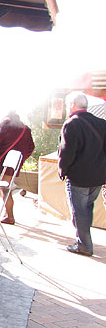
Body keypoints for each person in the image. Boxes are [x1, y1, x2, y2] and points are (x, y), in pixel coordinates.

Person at [58, 91, 106, 256]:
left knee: (79, 212)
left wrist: (62, 170)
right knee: (87, 209)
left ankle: (84, 245)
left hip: (79, 177)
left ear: (72, 104)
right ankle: (85, 241)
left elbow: (67, 152)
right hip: (98, 176)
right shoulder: (102, 123)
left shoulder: (72, 124)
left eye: (67, 104)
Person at [0, 111, 35, 225]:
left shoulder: (5, 125)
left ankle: (10, 216)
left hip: (3, 163)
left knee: (5, 190)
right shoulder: (26, 129)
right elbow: (31, 148)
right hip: (14, 165)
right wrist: (20, 159)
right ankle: (7, 213)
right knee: (7, 188)